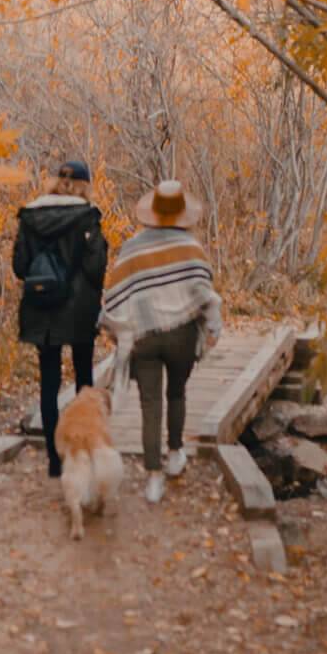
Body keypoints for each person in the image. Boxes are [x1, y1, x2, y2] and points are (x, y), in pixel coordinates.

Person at [101, 178, 223, 504]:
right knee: (177, 393)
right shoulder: (192, 248)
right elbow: (207, 297)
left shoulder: (133, 247)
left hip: (144, 337)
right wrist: (212, 332)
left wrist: (117, 332)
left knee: (150, 406)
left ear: (152, 211)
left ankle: (154, 477)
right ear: (182, 213)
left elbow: (114, 297)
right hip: (182, 335)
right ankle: (176, 454)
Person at [12, 158, 107, 479]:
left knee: (49, 385)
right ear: (84, 185)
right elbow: (96, 270)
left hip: (42, 308)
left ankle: (55, 460)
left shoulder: (30, 215)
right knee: (84, 382)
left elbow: (20, 266)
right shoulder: (87, 217)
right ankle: (86, 448)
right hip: (79, 310)